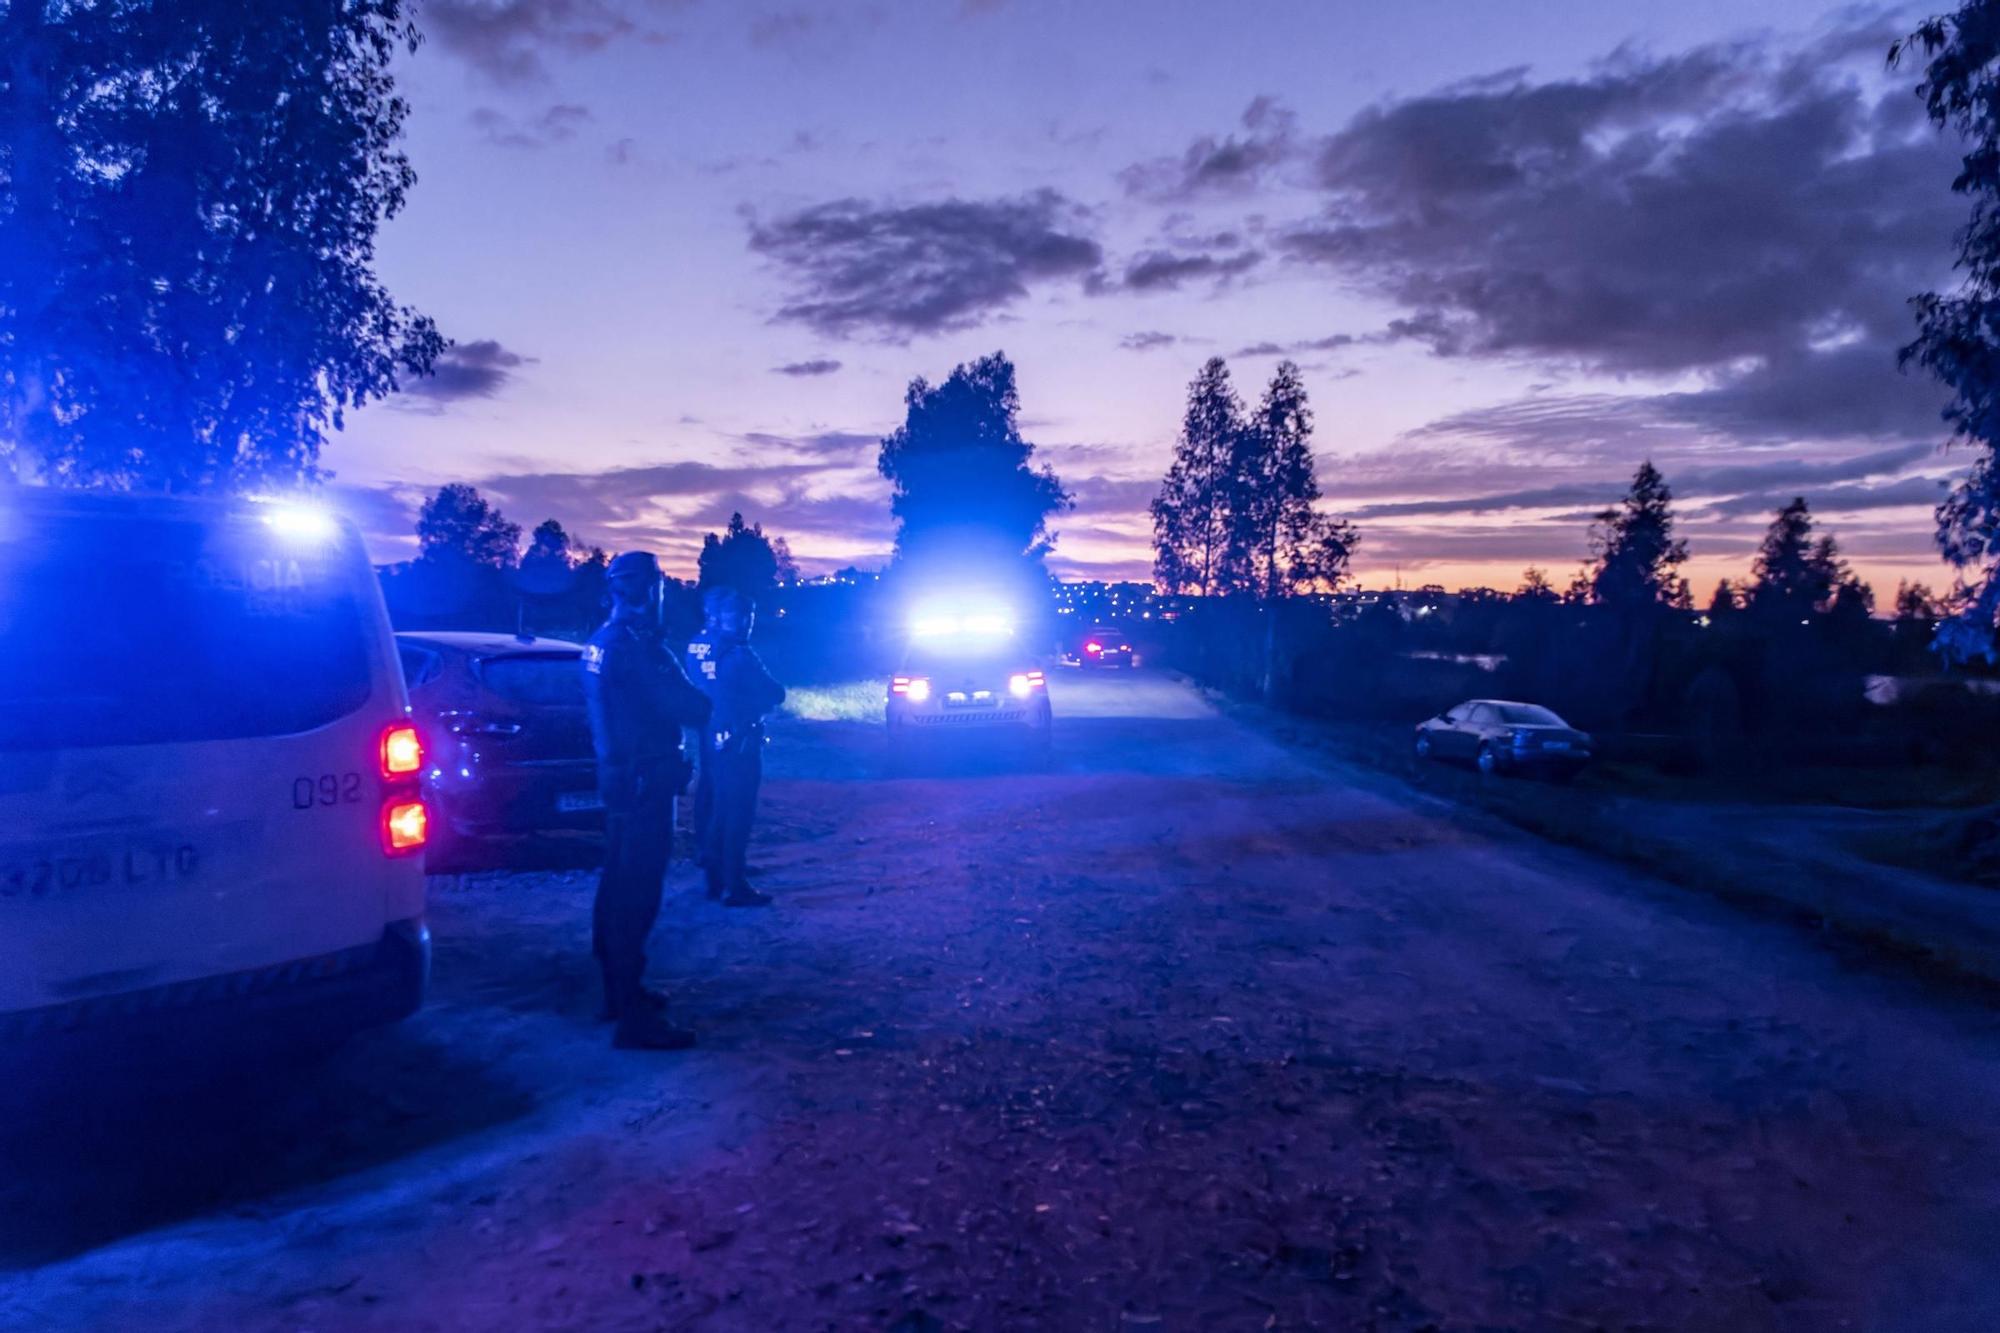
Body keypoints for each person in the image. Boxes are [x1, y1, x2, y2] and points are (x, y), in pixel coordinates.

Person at [580, 551, 711, 1050]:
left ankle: (615, 992)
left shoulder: (599, 642)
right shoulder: (637, 648)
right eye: (658, 586)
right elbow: (690, 706)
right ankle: (632, 1017)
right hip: (645, 781)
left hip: (619, 780)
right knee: (637, 892)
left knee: (616, 883)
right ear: (647, 591)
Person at [699, 586, 786, 907]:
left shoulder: (703, 646)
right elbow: (776, 693)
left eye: (748, 615)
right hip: (740, 741)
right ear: (722, 616)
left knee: (720, 809)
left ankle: (714, 877)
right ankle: (735, 886)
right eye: (738, 615)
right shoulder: (739, 655)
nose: (746, 622)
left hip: (714, 737)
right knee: (738, 813)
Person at [683, 591, 723, 888]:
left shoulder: (696, 642)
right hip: (719, 720)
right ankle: (714, 853)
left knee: (708, 783)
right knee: (718, 787)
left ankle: (705, 848)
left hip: (704, 718)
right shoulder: (719, 643)